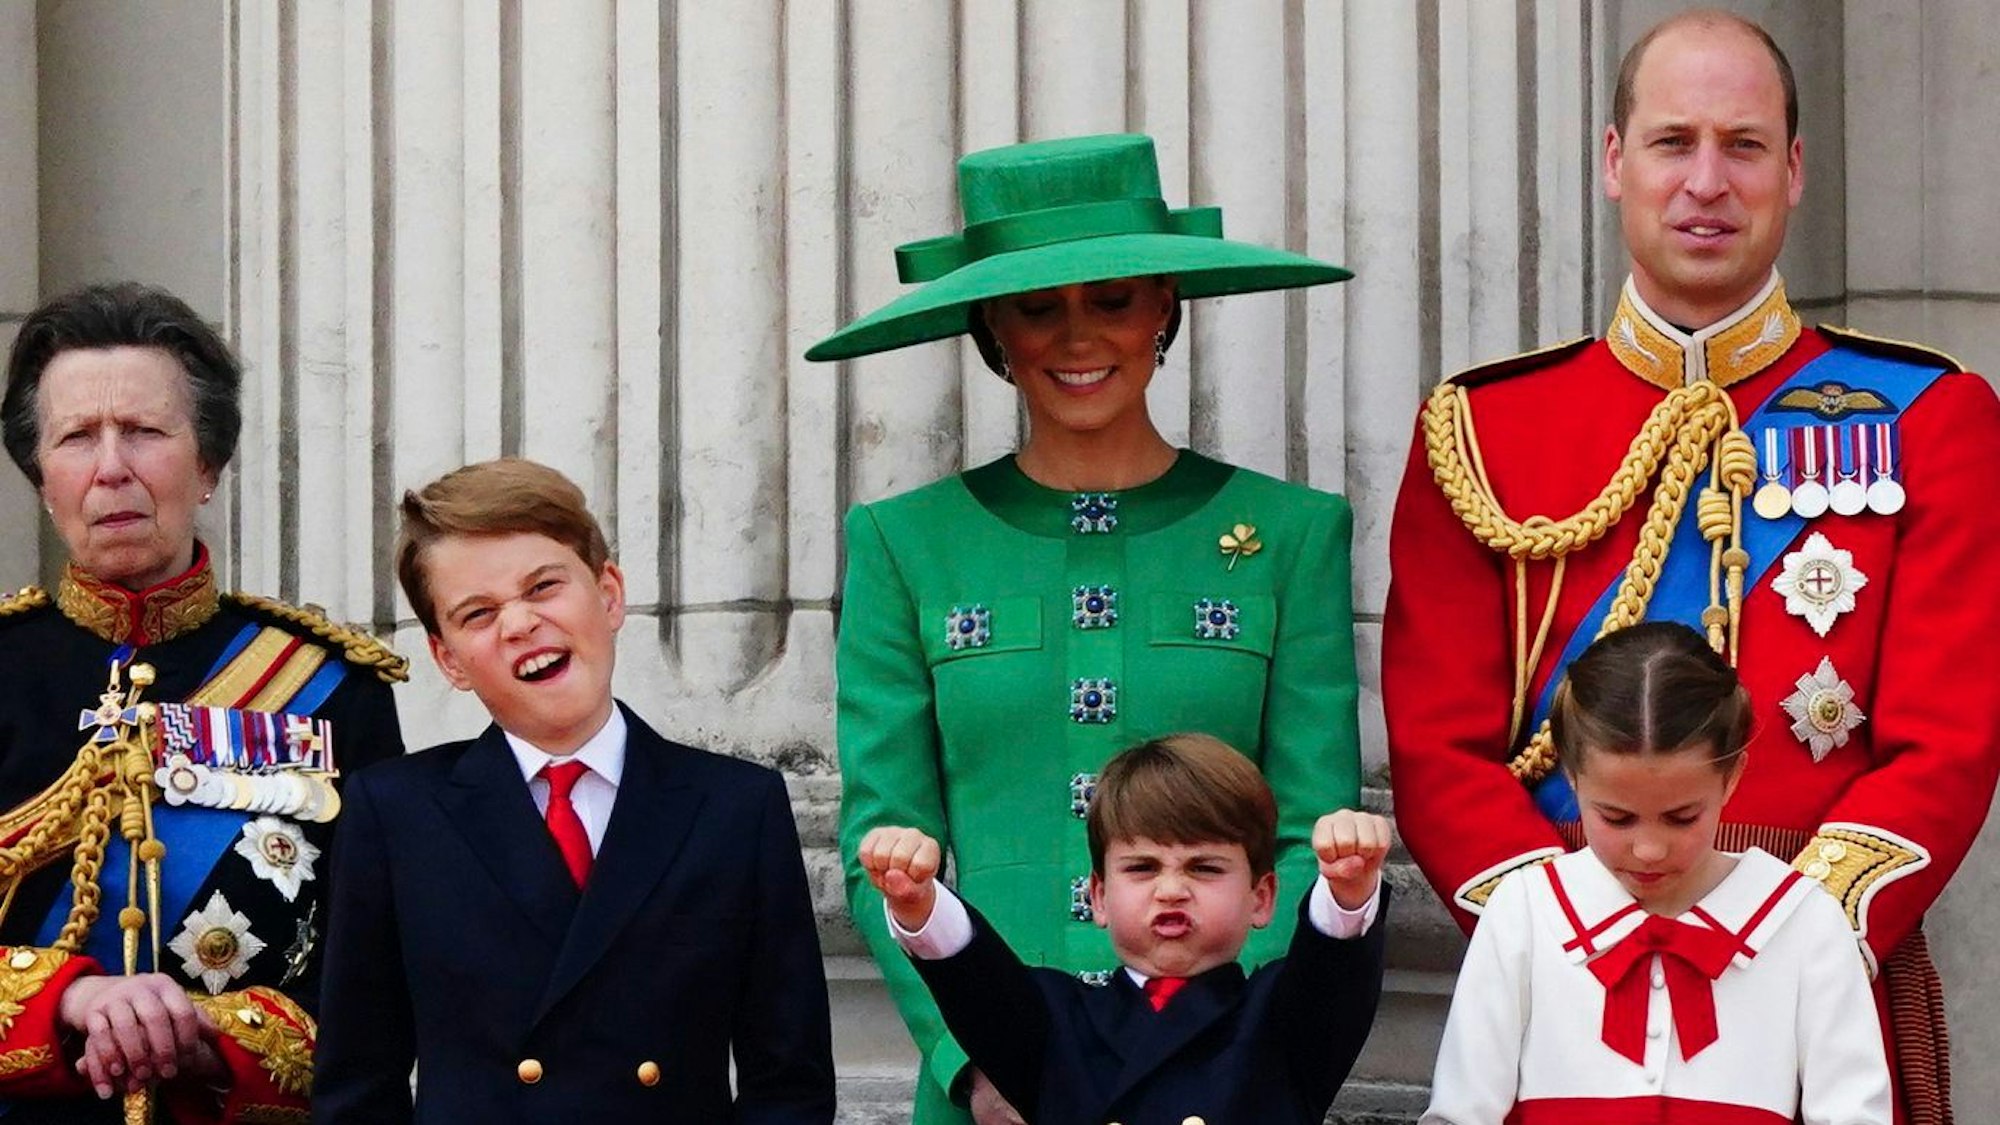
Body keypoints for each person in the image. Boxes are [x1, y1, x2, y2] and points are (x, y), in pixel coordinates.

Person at [1383, 10, 2000, 1123]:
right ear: (1614, 162)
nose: (1705, 182)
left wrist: (1787, 935)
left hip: (1821, 962)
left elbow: (1947, 738)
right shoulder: (1479, 428)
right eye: (1672, 143)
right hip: (1561, 983)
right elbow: (1436, 746)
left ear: (1793, 169)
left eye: (1743, 144)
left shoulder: (1930, 415)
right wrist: (1571, 935)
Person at [808, 132, 1363, 1124]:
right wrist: (970, 1065)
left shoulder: (1290, 535)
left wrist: (1246, 1059)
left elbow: (1306, 832)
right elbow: (884, 843)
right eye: (1036, 307)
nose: (1076, 338)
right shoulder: (903, 542)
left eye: (1110, 300)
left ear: (1163, 307)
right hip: (991, 1091)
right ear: (990, 328)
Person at [312, 458, 835, 1125]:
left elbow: (789, 1084)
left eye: (543, 586)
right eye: (478, 613)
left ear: (609, 593)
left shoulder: (736, 806)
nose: (520, 623)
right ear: (449, 660)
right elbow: (358, 1084)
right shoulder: (397, 813)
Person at [0, 282, 407, 1123]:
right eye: (78, 436)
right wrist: (68, 1001)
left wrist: (213, 1036)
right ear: (44, 476)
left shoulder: (331, 686)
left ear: (210, 465)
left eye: (145, 431)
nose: (112, 465)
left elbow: (380, 972)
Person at [1420, 622, 1890, 1124]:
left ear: (1731, 777)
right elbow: (1460, 1113)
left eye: (1681, 817)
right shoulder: (1526, 911)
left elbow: (1854, 1114)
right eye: (1616, 818)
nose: (1648, 849)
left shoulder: (1804, 921)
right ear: (1572, 776)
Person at [860, 733, 1389, 1125]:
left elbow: (1333, 970)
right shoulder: (1057, 1023)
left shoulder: (1279, 1020)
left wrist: (1349, 885)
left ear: (1262, 897)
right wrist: (917, 900)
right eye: (1142, 868)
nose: (1171, 890)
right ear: (1098, 896)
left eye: (1204, 868)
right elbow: (974, 977)